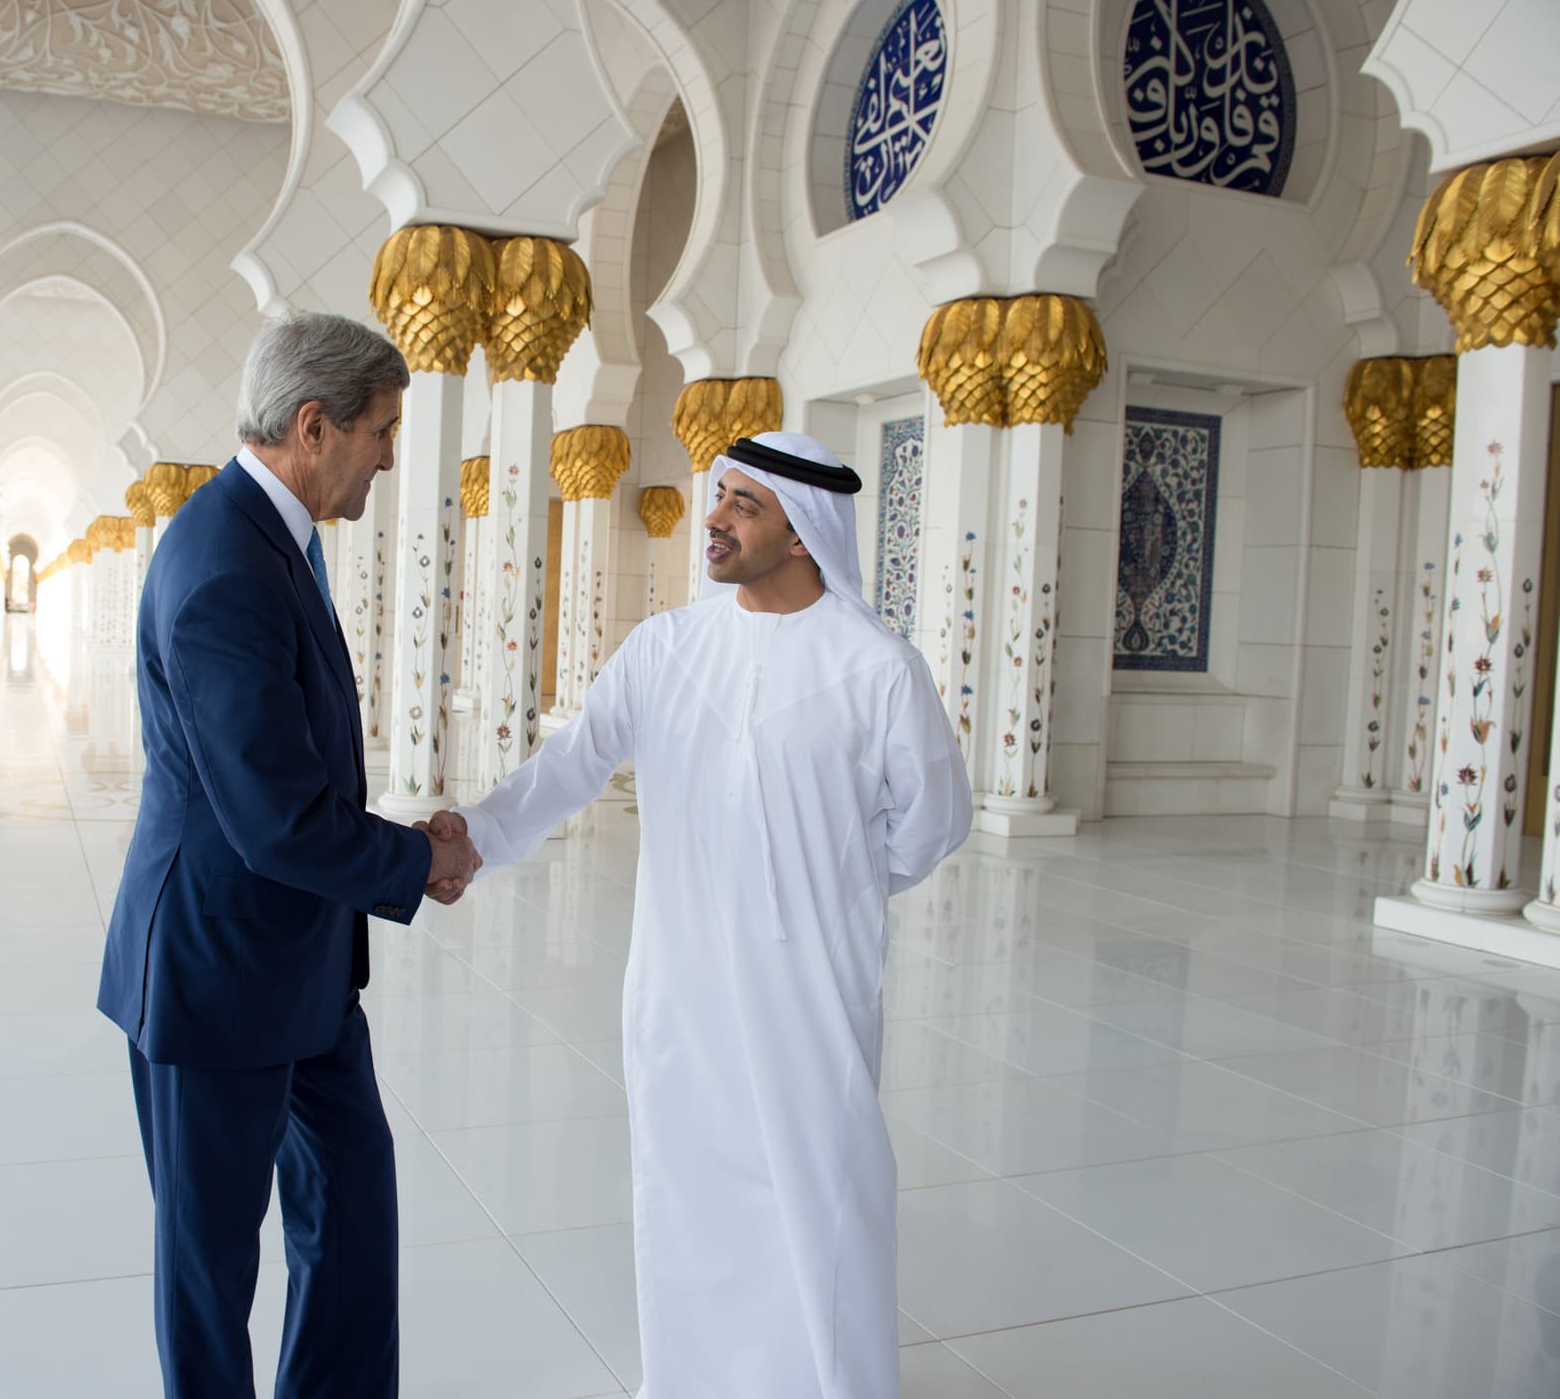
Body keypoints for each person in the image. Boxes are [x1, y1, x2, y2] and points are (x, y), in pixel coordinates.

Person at [432, 431, 972, 1399]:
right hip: (678, 986)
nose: (713, 519)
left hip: (809, 989)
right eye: (718, 495)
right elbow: (571, 765)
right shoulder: (667, 649)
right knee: (687, 1190)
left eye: (741, 504)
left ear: (802, 534)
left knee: (821, 1193)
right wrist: (471, 834)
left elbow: (932, 823)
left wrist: (827, 886)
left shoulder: (876, 668)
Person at [97, 311, 480, 1399]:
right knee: (210, 1270)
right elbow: (272, 816)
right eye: (380, 431)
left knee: (351, 1214)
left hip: (300, 967)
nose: (388, 457)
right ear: (313, 427)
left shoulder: (271, 540)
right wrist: (418, 863)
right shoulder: (223, 563)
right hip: (216, 974)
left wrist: (405, 847)